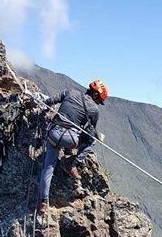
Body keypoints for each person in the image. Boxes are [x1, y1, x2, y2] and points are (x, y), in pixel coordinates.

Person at [37, 79, 109, 215]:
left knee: (48, 168)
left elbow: (49, 101)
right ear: (95, 95)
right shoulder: (94, 110)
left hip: (53, 134)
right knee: (92, 140)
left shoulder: (70, 92)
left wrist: (44, 112)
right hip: (70, 140)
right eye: (99, 100)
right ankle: (73, 163)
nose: (98, 103)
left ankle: (43, 202)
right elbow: (91, 132)